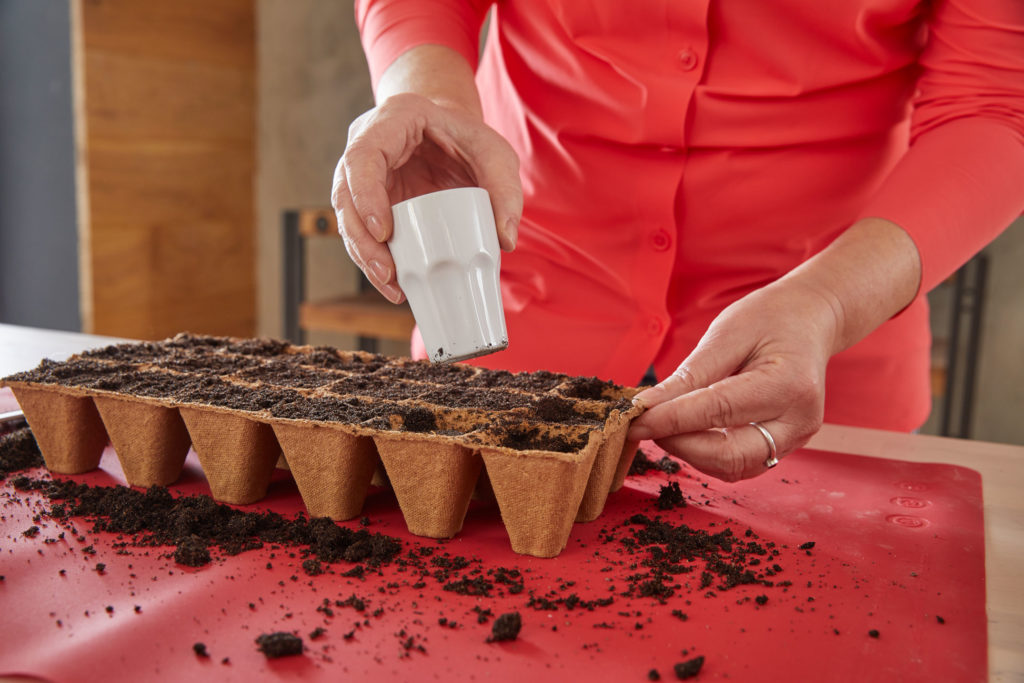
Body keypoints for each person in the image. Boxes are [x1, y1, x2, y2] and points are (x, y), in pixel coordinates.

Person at [332, 0, 1024, 482]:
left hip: (814, 344)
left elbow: (993, 102)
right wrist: (430, 99)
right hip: (524, 303)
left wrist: (830, 302)